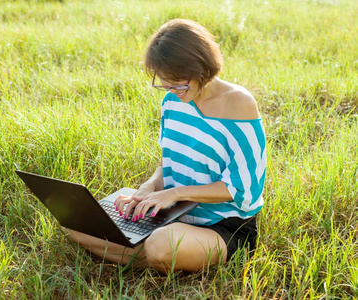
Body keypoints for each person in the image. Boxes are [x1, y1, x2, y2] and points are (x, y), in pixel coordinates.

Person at [67, 18, 266, 273]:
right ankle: (151, 252)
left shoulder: (239, 104)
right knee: (76, 225)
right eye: (165, 83)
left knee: (161, 245)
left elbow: (242, 189)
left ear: (201, 66)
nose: (172, 90)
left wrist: (173, 194)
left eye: (178, 82)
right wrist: (149, 187)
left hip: (224, 226)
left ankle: (145, 252)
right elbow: (167, 165)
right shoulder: (172, 101)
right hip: (172, 216)